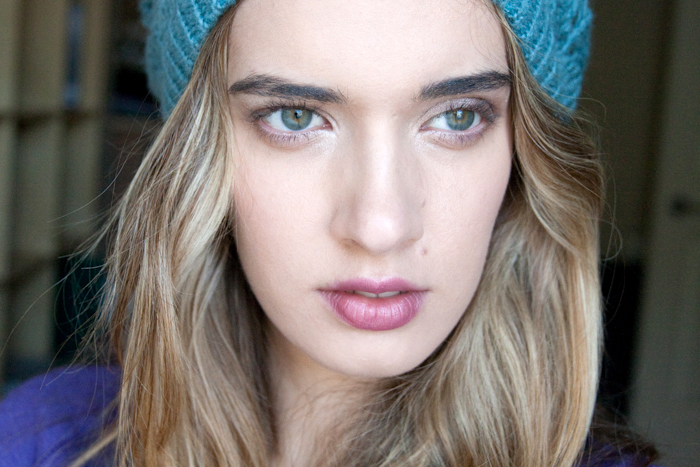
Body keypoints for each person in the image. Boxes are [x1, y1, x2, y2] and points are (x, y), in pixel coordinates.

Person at [0, 0, 660, 466]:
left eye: (458, 116)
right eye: (294, 116)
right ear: (200, 153)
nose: (380, 226)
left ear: (523, 156)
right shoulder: (39, 441)